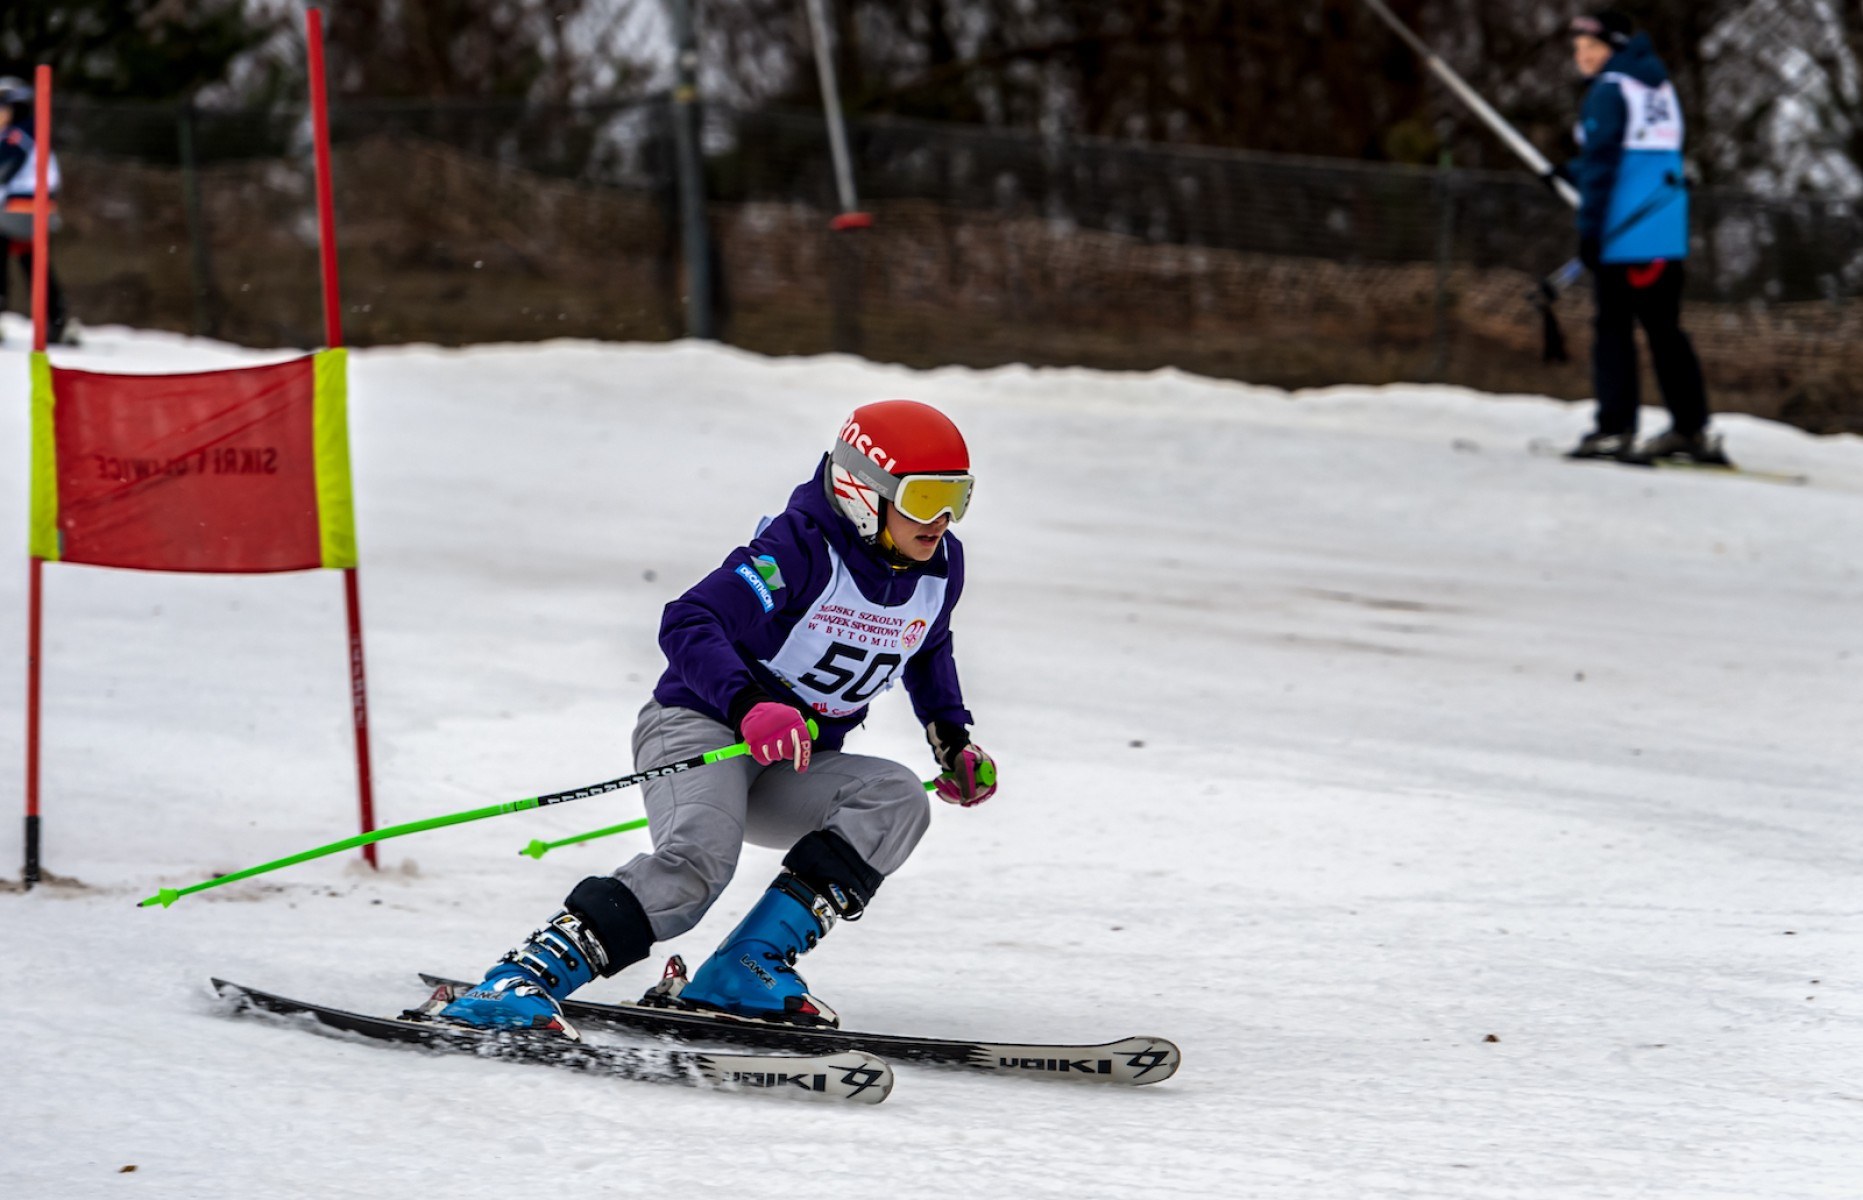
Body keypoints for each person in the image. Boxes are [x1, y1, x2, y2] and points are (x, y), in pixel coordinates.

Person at [438, 399, 998, 1034]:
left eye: (959, 497)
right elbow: (689, 619)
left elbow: (928, 646)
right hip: (701, 728)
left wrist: (953, 741)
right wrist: (748, 704)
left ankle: (746, 969)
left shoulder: (938, 568)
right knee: (699, 864)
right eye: (925, 499)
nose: (943, 519)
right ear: (864, 491)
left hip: (791, 760)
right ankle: (521, 979)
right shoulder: (797, 550)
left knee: (895, 799)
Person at [1559, 12, 1723, 465]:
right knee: (1665, 330)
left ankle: (1615, 429)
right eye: (1578, 48)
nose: (1583, 56)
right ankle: (1691, 428)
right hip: (1664, 230)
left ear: (1613, 46)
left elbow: (1605, 167)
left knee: (1612, 329)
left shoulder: (1609, 90)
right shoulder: (1658, 87)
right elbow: (1638, 156)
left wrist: (1589, 231)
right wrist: (1567, 172)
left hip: (1623, 233)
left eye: (1592, 46)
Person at [0, 75, 74, 346]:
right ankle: (56, 320)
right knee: (34, 265)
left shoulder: (18, 136)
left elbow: (2, 171)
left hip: (21, 211)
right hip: (29, 211)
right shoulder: (28, 132)